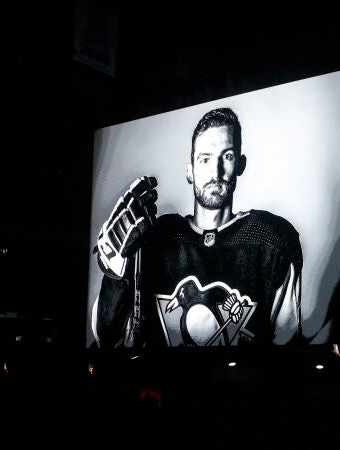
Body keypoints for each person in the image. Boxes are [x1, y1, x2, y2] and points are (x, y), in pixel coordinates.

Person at [92, 107, 303, 347]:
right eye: (205, 159)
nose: (215, 172)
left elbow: (288, 346)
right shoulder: (155, 239)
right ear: (190, 172)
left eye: (227, 156)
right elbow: (108, 339)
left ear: (240, 164)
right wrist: (114, 275)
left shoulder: (271, 241)